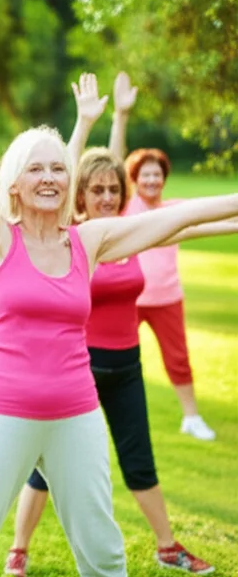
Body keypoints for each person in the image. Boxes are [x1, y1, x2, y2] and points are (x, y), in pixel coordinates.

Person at [0, 0, 238, 577]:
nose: (50, 177)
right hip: (1, 409)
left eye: (58, 169)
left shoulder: (87, 240)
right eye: (37, 169)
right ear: (16, 185)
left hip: (77, 410)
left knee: (102, 553)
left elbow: (175, 218)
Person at [3, 73, 225, 576]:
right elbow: (79, 173)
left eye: (112, 191)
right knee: (45, 471)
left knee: (139, 460)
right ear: (79, 195)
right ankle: (19, 550)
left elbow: (190, 221)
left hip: (126, 366)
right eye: (96, 190)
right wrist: (95, 123)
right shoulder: (79, 237)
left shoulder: (125, 233)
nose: (106, 197)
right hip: (80, 368)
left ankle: (168, 547)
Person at [109, 82, 217, 440]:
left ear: (164, 179)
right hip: (130, 299)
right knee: (109, 359)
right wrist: (121, 114)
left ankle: (191, 417)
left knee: (178, 358)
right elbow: (112, 160)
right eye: (145, 174)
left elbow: (212, 219)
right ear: (135, 179)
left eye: (157, 174)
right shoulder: (127, 207)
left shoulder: (174, 211)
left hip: (167, 298)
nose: (152, 179)